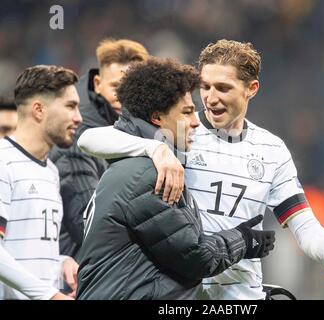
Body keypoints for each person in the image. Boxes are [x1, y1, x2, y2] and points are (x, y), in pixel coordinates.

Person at [78, 40, 324, 300]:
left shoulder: (272, 150)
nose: (210, 98)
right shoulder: (179, 130)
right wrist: (155, 149)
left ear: (251, 88)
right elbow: (89, 139)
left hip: (241, 293)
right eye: (205, 86)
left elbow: (302, 222)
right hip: (183, 290)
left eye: (223, 88)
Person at [76, 58, 275, 300]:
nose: (194, 122)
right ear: (157, 117)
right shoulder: (149, 175)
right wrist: (244, 239)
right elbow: (196, 257)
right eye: (187, 112)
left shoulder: (138, 161)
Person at [49, 38, 155, 257]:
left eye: (133, 88)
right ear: (97, 83)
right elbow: (86, 223)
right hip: (80, 271)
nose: (123, 97)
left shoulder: (139, 129)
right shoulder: (77, 136)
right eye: (116, 87)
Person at [0, 65, 81, 300]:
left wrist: (61, 262)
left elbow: (26, 251)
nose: (79, 117)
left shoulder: (51, 172)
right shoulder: (3, 161)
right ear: (38, 110)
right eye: (70, 106)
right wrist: (50, 295)